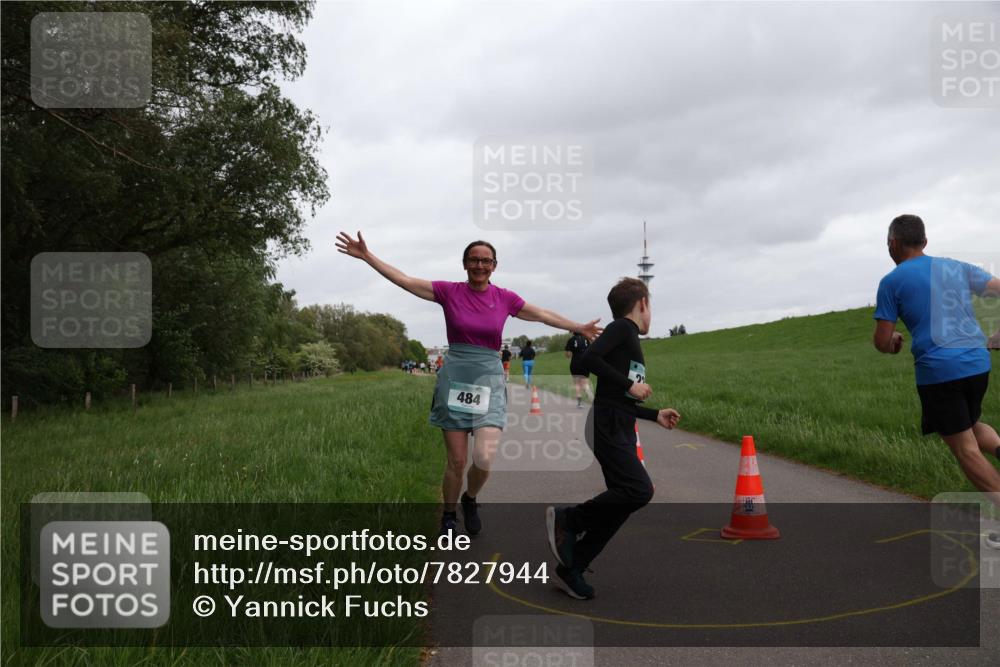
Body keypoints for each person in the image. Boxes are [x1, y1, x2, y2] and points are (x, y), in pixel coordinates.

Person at [336, 231, 602, 536]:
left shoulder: (505, 298)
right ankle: (449, 514)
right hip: (456, 380)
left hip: (489, 379)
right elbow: (405, 280)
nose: (479, 265)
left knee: (484, 457)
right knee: (457, 460)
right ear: (465, 264)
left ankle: (470, 498)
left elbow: (541, 314)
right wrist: (368, 256)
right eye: (474, 259)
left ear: (494, 265)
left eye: (485, 260)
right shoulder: (449, 292)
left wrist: (577, 326)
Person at [545, 277, 681, 599]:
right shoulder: (622, 328)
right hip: (606, 425)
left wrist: (653, 414)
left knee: (622, 500)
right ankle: (569, 519)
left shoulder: (628, 337)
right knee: (639, 489)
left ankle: (573, 565)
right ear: (643, 303)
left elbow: (621, 398)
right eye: (651, 306)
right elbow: (587, 360)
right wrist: (629, 384)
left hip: (616, 423)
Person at [872, 214, 1000, 509]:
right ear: (925, 242)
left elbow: (882, 341)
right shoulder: (957, 267)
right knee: (971, 424)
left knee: (966, 450)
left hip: (940, 372)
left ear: (892, 244)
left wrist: (893, 344)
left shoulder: (891, 282)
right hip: (978, 364)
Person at [565, 331, 594, 408]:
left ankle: (579, 403)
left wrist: (571, 352)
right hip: (585, 362)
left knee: (577, 384)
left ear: (573, 332)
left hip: (575, 363)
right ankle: (591, 396)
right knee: (585, 383)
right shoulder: (586, 339)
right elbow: (590, 350)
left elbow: (568, 355)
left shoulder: (571, 340)